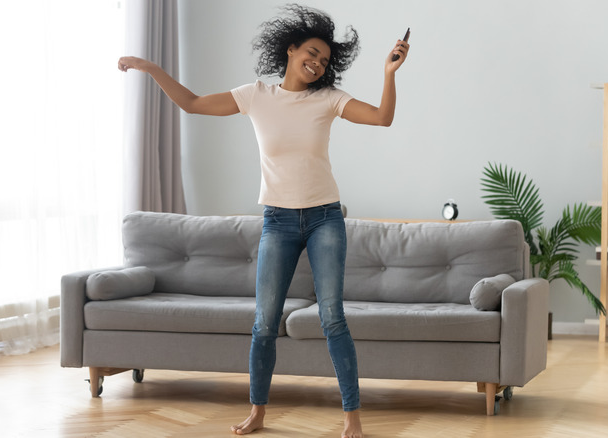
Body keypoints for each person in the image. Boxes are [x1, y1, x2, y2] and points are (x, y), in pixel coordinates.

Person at [118, 4, 409, 438]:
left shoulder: (328, 100)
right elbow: (194, 104)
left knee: (333, 318)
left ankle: (352, 419)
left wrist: (388, 74)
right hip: (278, 221)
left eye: (325, 61)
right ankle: (257, 412)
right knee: (264, 324)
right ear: (291, 50)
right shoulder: (256, 96)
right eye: (311, 52)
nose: (317, 63)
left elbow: (383, 118)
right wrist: (151, 68)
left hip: (325, 218)